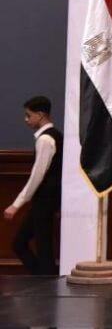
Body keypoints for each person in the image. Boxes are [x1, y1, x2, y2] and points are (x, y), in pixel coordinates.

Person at [4, 96, 62, 275]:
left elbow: (37, 176)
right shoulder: (56, 136)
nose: (26, 119)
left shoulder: (45, 140)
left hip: (44, 199)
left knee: (39, 246)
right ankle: (44, 280)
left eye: (28, 115)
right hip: (48, 199)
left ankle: (46, 282)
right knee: (30, 244)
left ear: (41, 114)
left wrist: (16, 205)